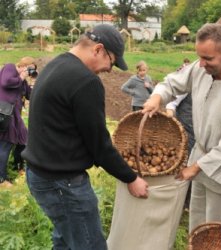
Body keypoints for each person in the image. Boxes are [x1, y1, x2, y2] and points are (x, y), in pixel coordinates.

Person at [22, 24, 148, 250]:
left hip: (40, 175)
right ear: (98, 49)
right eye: (112, 61)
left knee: (66, 240)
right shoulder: (85, 81)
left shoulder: (56, 64)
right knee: (90, 245)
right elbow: (99, 145)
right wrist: (131, 178)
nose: (110, 69)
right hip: (62, 183)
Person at [143, 23, 221, 232]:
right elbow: (171, 83)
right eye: (200, 57)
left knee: (215, 225)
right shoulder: (200, 68)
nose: (202, 64)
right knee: (196, 218)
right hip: (200, 154)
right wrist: (156, 97)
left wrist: (196, 167)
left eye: (208, 59)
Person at [0, 57, 35, 187]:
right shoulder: (10, 68)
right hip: (4, 114)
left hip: (15, 117)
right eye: (30, 68)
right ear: (23, 65)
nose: (30, 71)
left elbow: (31, 95)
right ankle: (1, 180)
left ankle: (17, 167)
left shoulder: (23, 81)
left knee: (23, 141)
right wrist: (21, 77)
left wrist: (33, 82)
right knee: (5, 145)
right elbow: (6, 82)